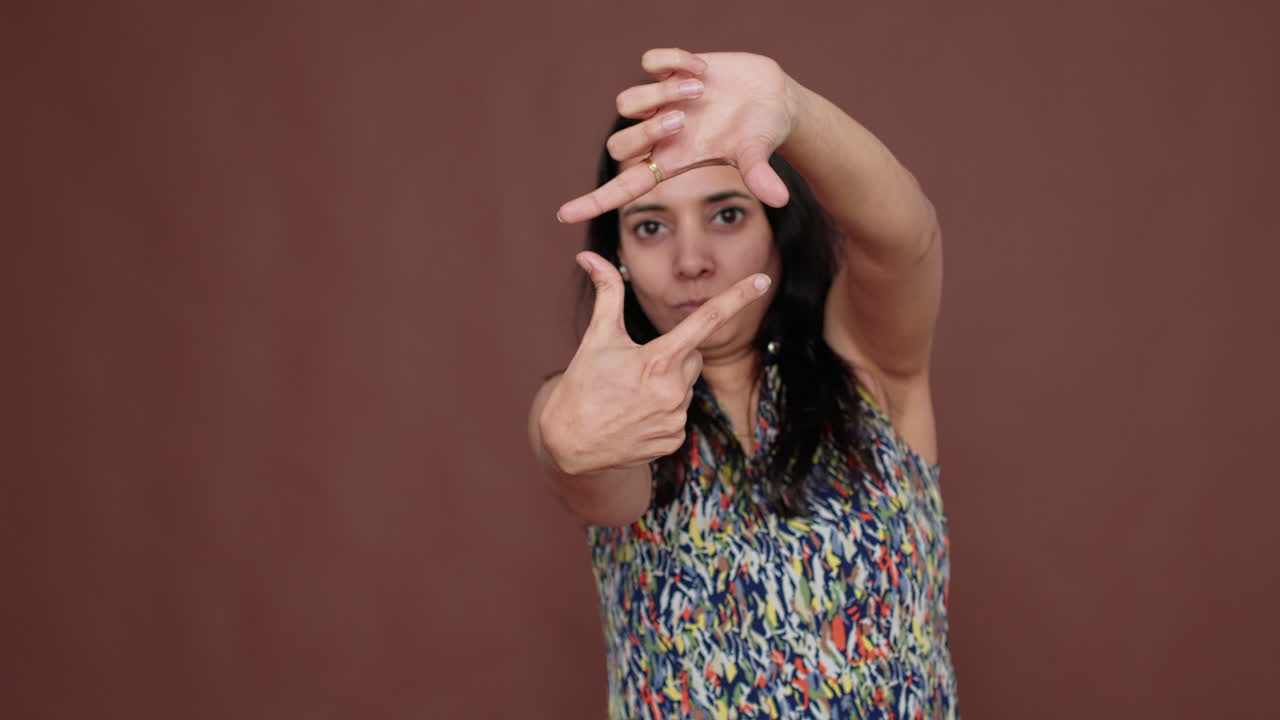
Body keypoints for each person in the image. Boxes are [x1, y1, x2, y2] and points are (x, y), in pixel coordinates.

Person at [529, 48, 955, 719]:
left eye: (726, 214)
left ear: (777, 230)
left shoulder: (871, 366)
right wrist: (566, 438)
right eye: (651, 226)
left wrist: (794, 109)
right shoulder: (616, 415)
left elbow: (906, 239)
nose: (691, 260)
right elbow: (582, 457)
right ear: (621, 259)